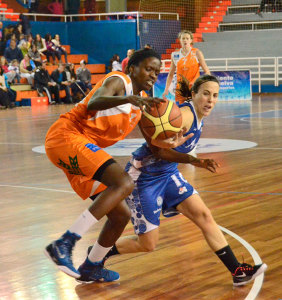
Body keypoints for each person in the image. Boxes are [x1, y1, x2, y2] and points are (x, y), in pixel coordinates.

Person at [88, 74, 268, 286]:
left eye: (215, 96)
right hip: (144, 177)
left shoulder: (199, 117)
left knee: (204, 216)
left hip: (168, 173)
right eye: (206, 94)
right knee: (148, 245)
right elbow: (158, 150)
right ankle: (99, 254)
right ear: (194, 95)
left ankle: (237, 270)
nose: (210, 100)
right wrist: (194, 160)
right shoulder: (184, 116)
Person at [44, 48, 190, 283]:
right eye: (148, 69)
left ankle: (92, 266)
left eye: (157, 71)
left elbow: (155, 148)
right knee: (123, 182)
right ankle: (65, 242)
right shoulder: (119, 81)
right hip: (66, 137)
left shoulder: (142, 103)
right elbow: (94, 102)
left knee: (121, 215)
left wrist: (179, 143)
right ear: (132, 68)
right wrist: (127, 97)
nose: (153, 75)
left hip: (78, 150)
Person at [163, 30, 210, 104]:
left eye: (187, 38)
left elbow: (207, 72)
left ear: (191, 40)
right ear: (180, 40)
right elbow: (171, 74)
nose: (185, 40)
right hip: (180, 90)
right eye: (183, 38)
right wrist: (166, 90)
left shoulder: (197, 53)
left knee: (193, 112)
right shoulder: (175, 55)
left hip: (194, 89)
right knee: (180, 113)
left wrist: (204, 85)